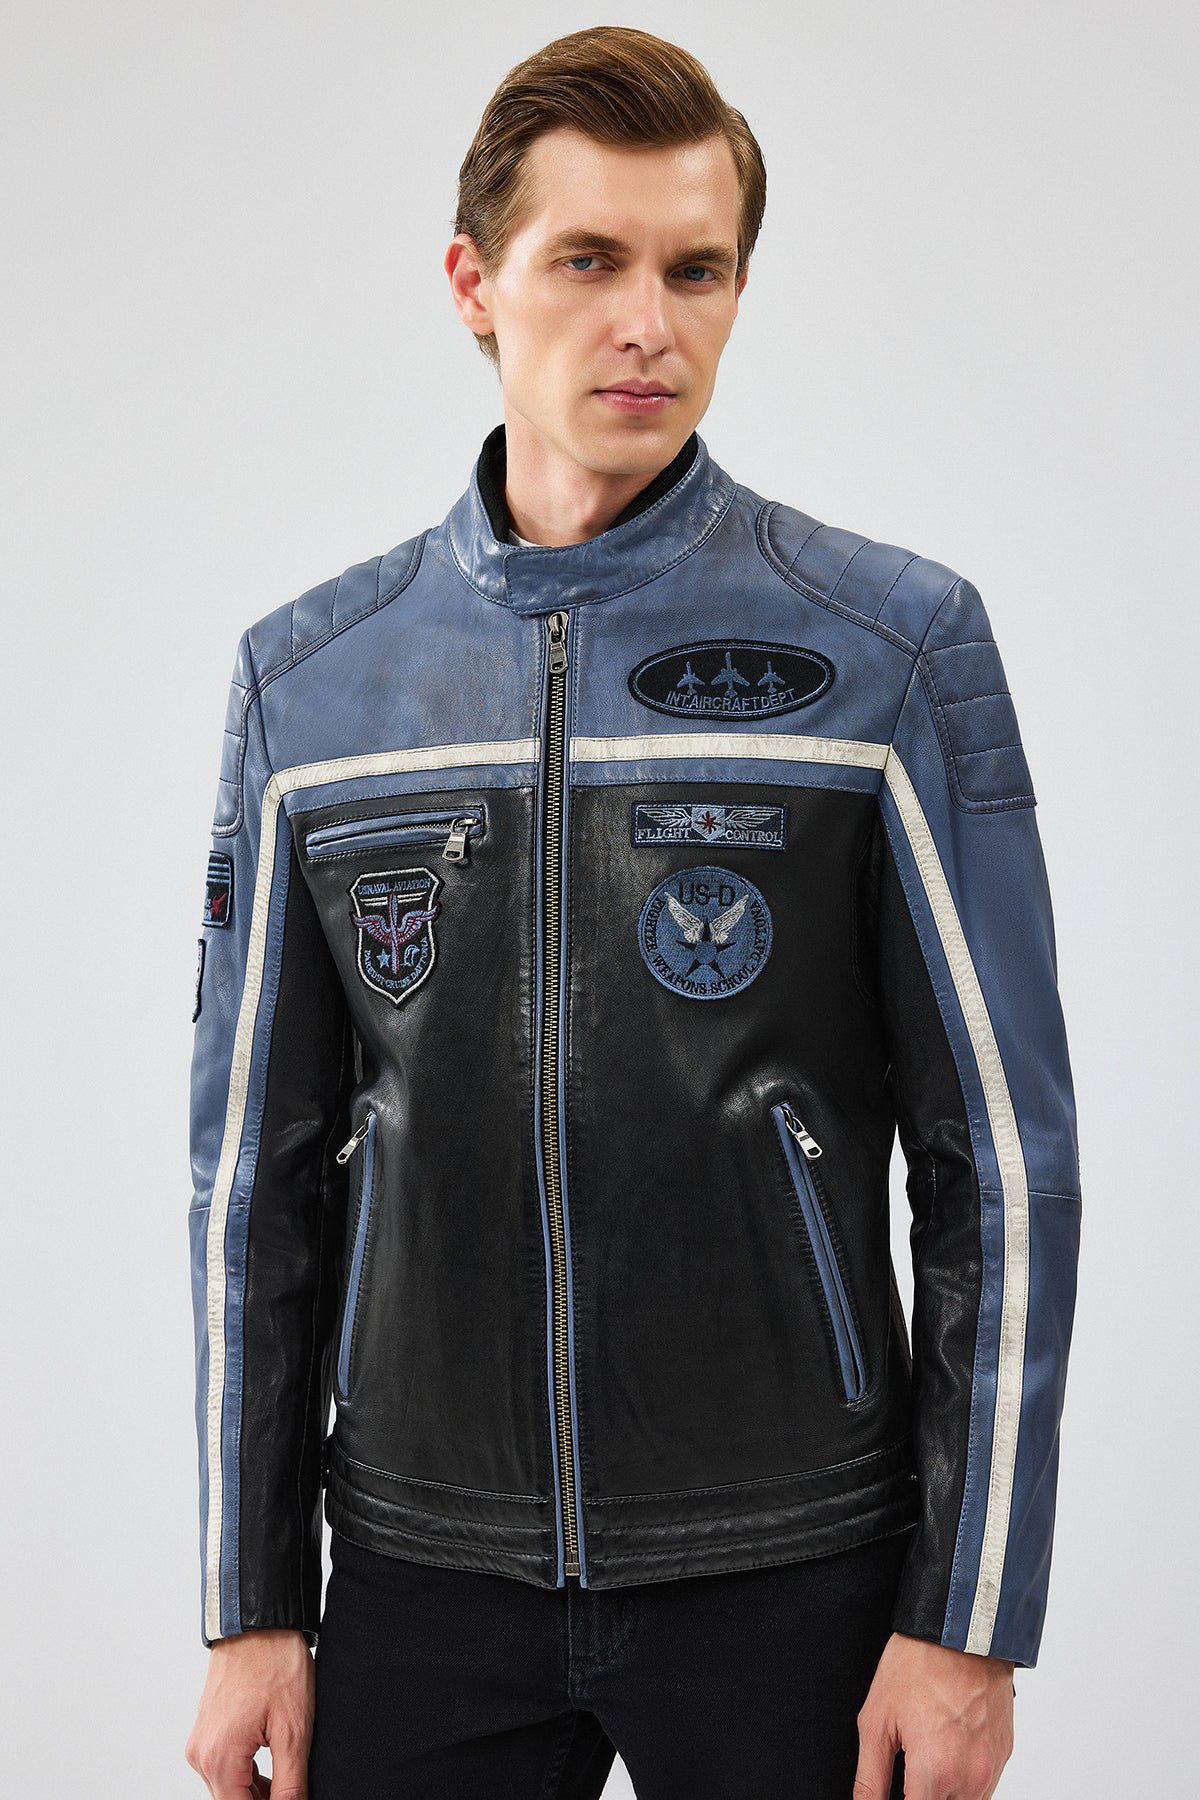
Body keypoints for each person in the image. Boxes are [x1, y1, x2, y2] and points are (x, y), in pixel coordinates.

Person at [183, 25, 1081, 1800]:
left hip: (797, 1572)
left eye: (697, 269)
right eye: (589, 260)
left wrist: (969, 1618)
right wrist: (248, 1604)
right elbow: (248, 1185)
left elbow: (1003, 1160)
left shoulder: (889, 652)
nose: (647, 325)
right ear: (474, 283)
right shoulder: (313, 687)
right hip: (421, 1574)